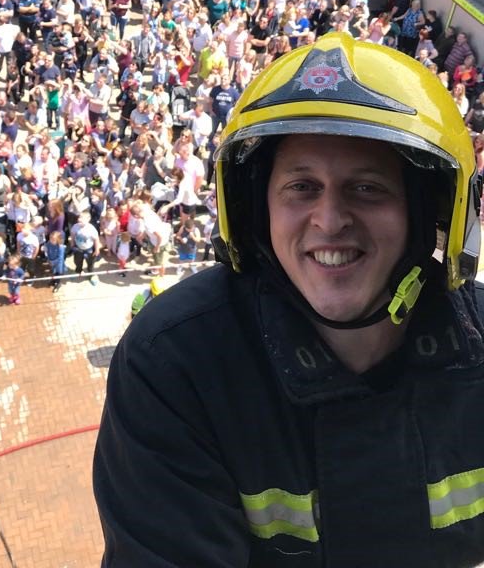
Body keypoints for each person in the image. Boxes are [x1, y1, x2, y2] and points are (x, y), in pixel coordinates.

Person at [94, 33, 484, 567]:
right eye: (301, 187)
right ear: (258, 208)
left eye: (367, 188)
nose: (329, 220)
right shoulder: (173, 365)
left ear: (427, 213)